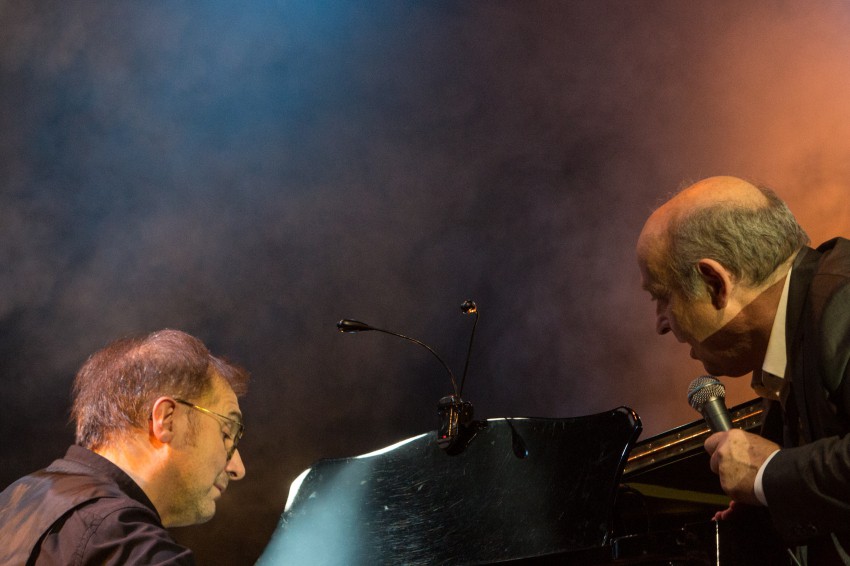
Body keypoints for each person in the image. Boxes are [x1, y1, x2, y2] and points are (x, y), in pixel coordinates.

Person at [636, 175, 850, 564]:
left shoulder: (844, 306)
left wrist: (769, 473)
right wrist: (765, 512)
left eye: (662, 297)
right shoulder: (790, 337)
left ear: (714, 282)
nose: (660, 323)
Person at [0, 329, 249, 565]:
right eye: (227, 433)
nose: (238, 468)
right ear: (167, 419)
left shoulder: (14, 499)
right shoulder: (126, 543)